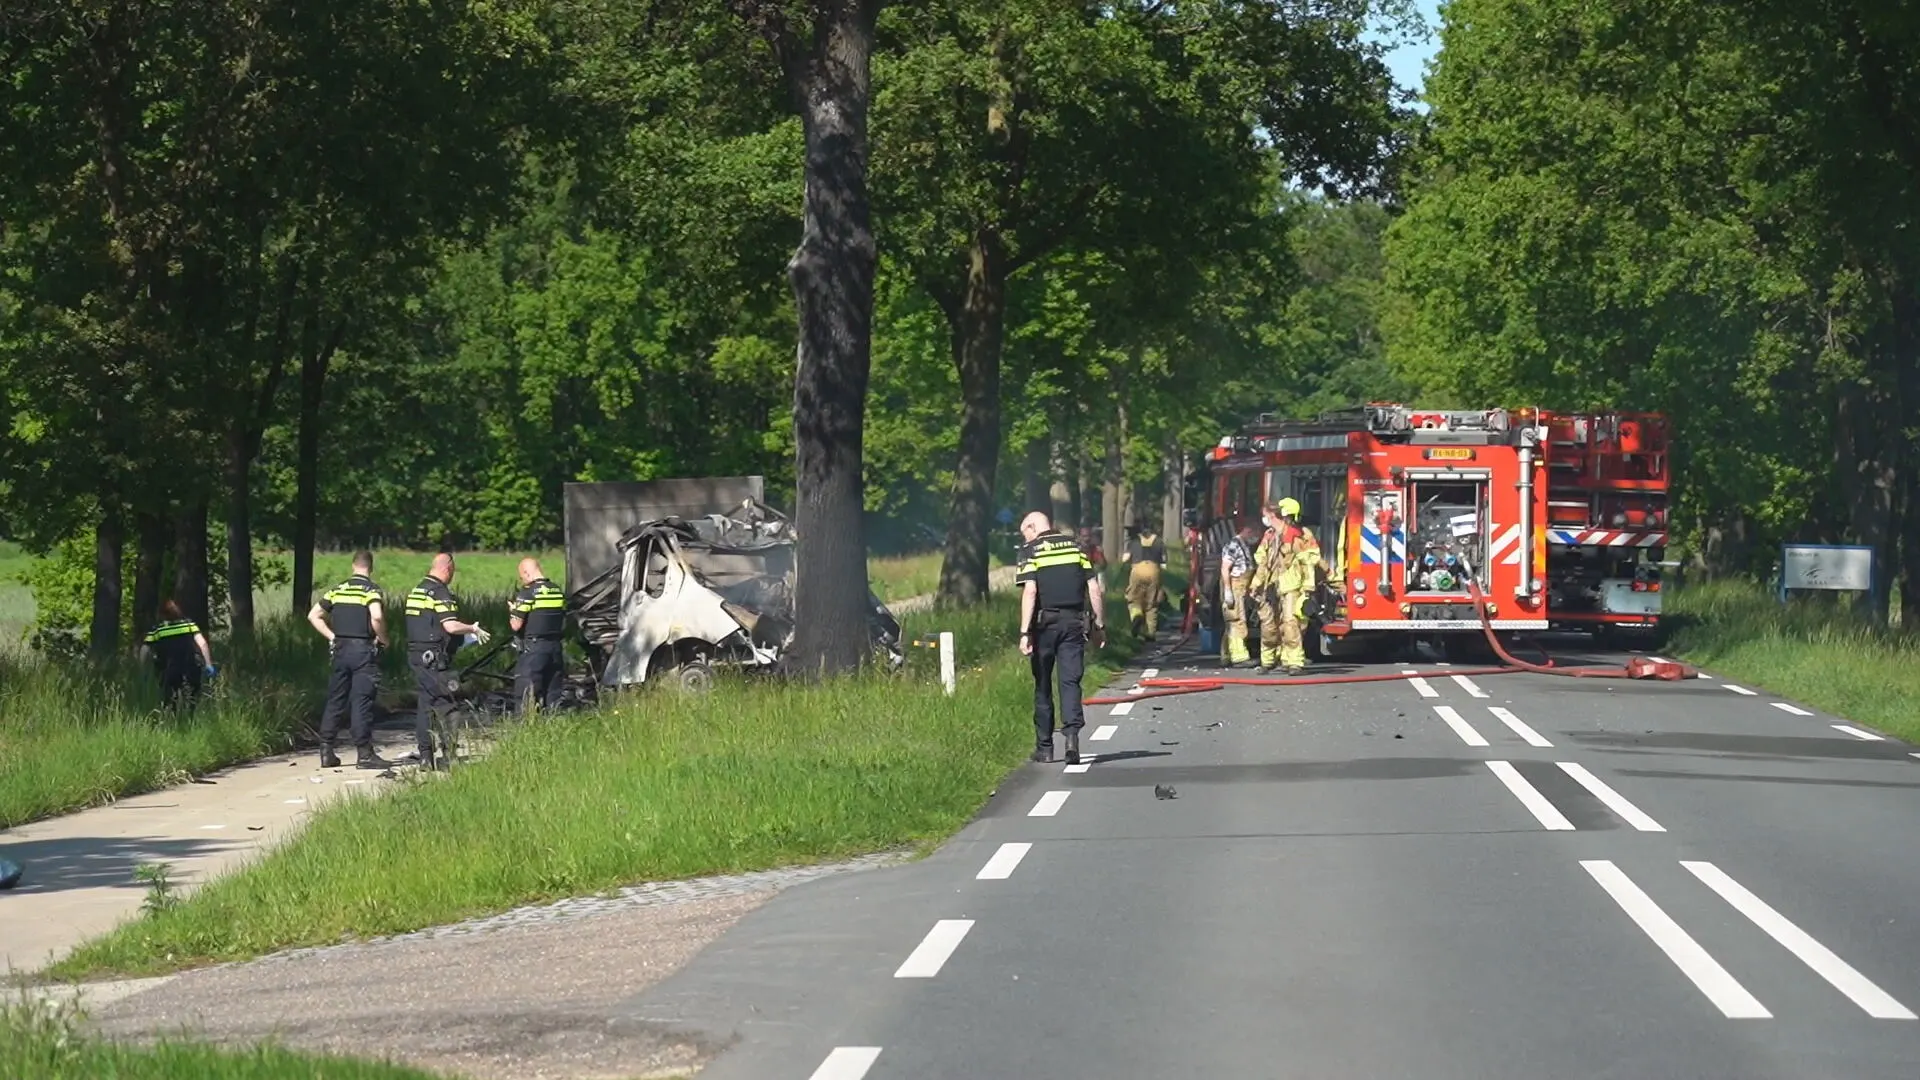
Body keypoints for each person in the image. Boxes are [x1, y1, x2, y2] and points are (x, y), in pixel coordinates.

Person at [1017, 511, 1106, 765]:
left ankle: (1045, 748)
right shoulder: (1075, 548)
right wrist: (1099, 625)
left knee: (1043, 684)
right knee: (1070, 682)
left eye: (1025, 533)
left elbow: (1030, 592)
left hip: (1043, 626)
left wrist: (1024, 632)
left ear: (1033, 527)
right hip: (1074, 624)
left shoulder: (1030, 551)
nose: (1025, 539)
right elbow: (1094, 588)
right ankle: (1072, 740)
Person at [404, 552, 491, 770]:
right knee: (449, 703)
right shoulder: (440, 592)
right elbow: (450, 626)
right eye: (453, 571)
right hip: (434, 659)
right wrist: (472, 629)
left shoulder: (417, 590)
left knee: (425, 704)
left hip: (416, 655)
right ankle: (449, 755)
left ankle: (426, 757)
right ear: (448, 568)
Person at [308, 552, 391, 769]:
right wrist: (383, 639)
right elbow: (377, 616)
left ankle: (326, 750)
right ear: (370, 567)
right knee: (361, 700)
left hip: (340, 650)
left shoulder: (338, 590)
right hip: (363, 650)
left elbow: (313, 615)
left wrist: (332, 637)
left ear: (353, 565)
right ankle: (364, 754)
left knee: (336, 699)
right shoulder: (371, 590)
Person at [1249, 498, 1323, 675]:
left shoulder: (1296, 536)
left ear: (1276, 515)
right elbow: (1263, 562)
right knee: (1268, 625)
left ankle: (1294, 662)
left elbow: (1307, 562)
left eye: (1266, 515)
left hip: (1291, 586)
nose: (1265, 519)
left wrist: (1307, 589)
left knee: (1290, 624)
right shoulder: (1269, 536)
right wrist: (1255, 585)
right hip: (1270, 587)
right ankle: (1268, 661)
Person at [507, 557, 567, 714]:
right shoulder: (557, 590)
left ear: (527, 573)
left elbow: (516, 625)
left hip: (534, 648)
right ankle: (554, 723)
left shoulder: (527, 593)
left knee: (526, 692)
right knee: (553, 693)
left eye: (521, 577)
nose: (522, 581)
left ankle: (526, 725)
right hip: (555, 648)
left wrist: (513, 611)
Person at [143, 599, 214, 711]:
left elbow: (145, 649)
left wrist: (143, 668)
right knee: (191, 700)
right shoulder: (189, 625)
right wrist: (208, 664)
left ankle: (173, 718)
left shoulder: (158, 630)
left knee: (170, 701)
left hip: (168, 669)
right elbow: (203, 644)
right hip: (191, 667)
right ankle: (190, 718)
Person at [1218, 525, 1258, 667]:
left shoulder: (1243, 545)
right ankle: (1239, 657)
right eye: (1255, 533)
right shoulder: (1233, 545)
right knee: (1236, 621)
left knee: (1231, 622)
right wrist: (1228, 591)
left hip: (1241, 587)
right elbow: (1225, 568)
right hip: (1235, 586)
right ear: (1248, 530)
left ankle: (1226, 655)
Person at [1121, 522, 1167, 639]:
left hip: (1138, 570)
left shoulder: (1134, 541)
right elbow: (1164, 565)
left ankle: (1137, 615)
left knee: (1134, 599)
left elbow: (1125, 559)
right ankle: (1151, 633)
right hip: (1154, 571)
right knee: (1152, 603)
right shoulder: (1159, 542)